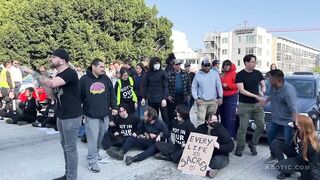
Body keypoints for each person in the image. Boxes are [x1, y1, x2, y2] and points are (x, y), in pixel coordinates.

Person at [41, 48, 82, 180]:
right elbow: (52, 95)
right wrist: (45, 84)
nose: (51, 59)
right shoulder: (57, 76)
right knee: (64, 146)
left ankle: (71, 177)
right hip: (61, 114)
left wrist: (33, 73)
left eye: (54, 57)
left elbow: (51, 83)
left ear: (62, 60)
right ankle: (68, 174)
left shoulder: (70, 73)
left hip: (72, 115)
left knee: (70, 148)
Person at [80, 58, 118, 173]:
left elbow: (112, 94)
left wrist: (114, 107)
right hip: (91, 116)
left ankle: (96, 154)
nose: (103, 69)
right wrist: (81, 114)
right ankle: (92, 161)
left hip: (104, 115)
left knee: (101, 137)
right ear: (93, 66)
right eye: (101, 67)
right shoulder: (84, 80)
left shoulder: (105, 78)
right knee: (92, 139)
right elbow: (79, 97)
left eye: (103, 67)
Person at [261, 69, 299, 164]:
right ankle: (273, 155)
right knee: (270, 136)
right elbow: (271, 96)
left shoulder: (288, 91)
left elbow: (294, 110)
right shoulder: (273, 87)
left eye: (270, 78)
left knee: (289, 142)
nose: (268, 80)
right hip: (275, 119)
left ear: (276, 80)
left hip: (287, 121)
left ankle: (291, 160)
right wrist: (265, 101)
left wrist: (296, 124)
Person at [235, 54, 266, 157]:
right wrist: (256, 96)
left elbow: (263, 85)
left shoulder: (258, 73)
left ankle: (253, 144)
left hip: (257, 105)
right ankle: (239, 147)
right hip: (244, 105)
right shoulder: (240, 74)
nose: (254, 64)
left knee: (261, 125)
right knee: (243, 128)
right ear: (246, 63)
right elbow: (242, 90)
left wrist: (262, 91)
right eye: (252, 62)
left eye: (255, 62)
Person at [271, 115, 320, 179]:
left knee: (280, 166)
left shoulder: (312, 145)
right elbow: (294, 123)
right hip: (297, 153)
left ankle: (304, 171)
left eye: (297, 122)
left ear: (302, 126)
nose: (295, 122)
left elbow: (315, 166)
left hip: (304, 161)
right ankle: (286, 172)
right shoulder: (298, 129)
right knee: (276, 143)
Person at [196, 112, 235, 178]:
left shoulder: (221, 129)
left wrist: (219, 146)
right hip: (203, 154)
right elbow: (194, 140)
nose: (214, 122)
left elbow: (231, 146)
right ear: (206, 121)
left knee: (215, 161)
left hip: (219, 154)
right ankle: (208, 171)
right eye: (211, 120)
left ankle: (206, 168)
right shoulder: (200, 128)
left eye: (215, 120)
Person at [192, 59, 223, 125]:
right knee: (201, 121)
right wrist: (196, 99)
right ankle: (201, 135)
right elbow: (193, 88)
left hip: (213, 101)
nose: (207, 67)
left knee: (211, 120)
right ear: (202, 66)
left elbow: (219, 86)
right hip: (202, 101)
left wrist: (220, 97)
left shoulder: (215, 73)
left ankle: (210, 134)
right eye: (205, 66)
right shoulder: (197, 75)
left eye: (208, 65)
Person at [142, 57, 169, 126]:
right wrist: (144, 98)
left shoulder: (163, 73)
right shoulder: (148, 73)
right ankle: (154, 131)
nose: (158, 64)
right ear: (152, 64)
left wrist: (164, 98)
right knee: (153, 117)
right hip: (152, 99)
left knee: (165, 117)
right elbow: (145, 86)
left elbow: (166, 86)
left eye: (158, 63)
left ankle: (167, 133)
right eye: (156, 63)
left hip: (161, 99)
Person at [167, 59, 191, 128]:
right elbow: (166, 86)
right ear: (173, 66)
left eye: (179, 64)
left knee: (184, 113)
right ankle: (172, 128)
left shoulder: (185, 73)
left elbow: (189, 85)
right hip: (172, 97)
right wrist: (168, 95)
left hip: (183, 97)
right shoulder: (169, 74)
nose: (178, 66)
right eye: (176, 64)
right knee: (172, 114)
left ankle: (185, 127)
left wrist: (189, 95)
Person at [220, 60, 238, 138]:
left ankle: (231, 135)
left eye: (228, 65)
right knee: (223, 116)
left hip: (231, 96)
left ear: (231, 66)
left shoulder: (235, 74)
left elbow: (237, 86)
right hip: (222, 96)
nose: (226, 67)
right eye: (225, 65)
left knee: (230, 117)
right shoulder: (222, 74)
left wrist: (228, 85)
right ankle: (223, 135)